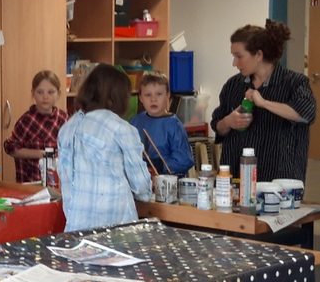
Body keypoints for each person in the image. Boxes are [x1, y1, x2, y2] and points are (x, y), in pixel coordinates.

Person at [57, 63, 152, 282]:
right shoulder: (121, 129)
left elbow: (65, 179)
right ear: (117, 96)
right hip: (117, 227)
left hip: (77, 228)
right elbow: (141, 185)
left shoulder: (68, 127)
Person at [211, 19, 316, 182]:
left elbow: (305, 114)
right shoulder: (233, 84)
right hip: (236, 178)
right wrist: (228, 122)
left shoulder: (295, 82)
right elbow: (217, 125)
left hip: (280, 180)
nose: (234, 63)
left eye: (239, 56)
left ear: (259, 55)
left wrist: (264, 103)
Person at [3, 70, 69, 183]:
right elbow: (10, 148)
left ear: (58, 94)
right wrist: (40, 154)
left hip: (58, 183)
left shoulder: (64, 119)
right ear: (33, 93)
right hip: (30, 183)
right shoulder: (26, 121)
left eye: (50, 92)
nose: (45, 97)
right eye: (40, 92)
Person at [130, 72, 194, 177]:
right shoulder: (135, 122)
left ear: (168, 95)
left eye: (159, 94)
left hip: (168, 182)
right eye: (148, 95)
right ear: (140, 98)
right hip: (140, 180)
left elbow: (184, 160)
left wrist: (160, 165)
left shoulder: (174, 125)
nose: (153, 99)